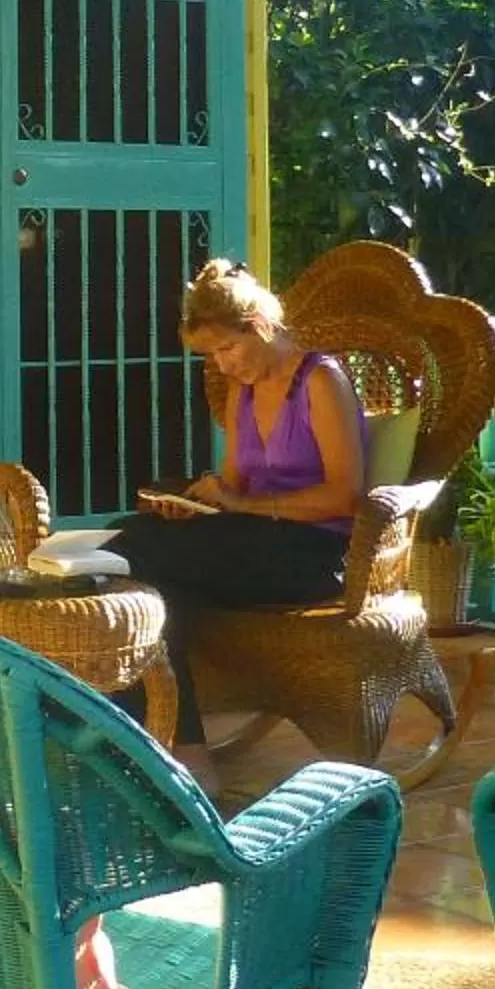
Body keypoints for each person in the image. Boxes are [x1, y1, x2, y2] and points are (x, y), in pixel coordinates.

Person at [107, 258, 369, 794]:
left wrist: (242, 507)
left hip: (318, 556)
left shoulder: (321, 380)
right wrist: (196, 505)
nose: (223, 366)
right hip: (256, 544)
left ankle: (154, 741)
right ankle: (184, 748)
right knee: (145, 577)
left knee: (126, 556)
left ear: (261, 327)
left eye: (228, 349)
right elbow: (235, 488)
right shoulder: (244, 391)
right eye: (212, 355)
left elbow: (346, 495)